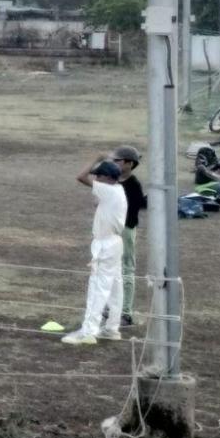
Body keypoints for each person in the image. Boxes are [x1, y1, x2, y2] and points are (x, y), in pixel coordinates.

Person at [64, 158, 128, 344]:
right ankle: (111, 328)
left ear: (107, 177)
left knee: (97, 287)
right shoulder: (117, 190)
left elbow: (81, 177)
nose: (96, 179)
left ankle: (88, 331)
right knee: (115, 286)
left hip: (105, 245)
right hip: (114, 244)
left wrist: (96, 159)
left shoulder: (108, 190)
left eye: (99, 176)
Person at [113, 145, 146, 327]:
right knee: (111, 269)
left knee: (127, 269)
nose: (114, 163)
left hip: (125, 229)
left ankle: (126, 312)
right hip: (113, 230)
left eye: (118, 160)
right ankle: (112, 308)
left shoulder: (133, 185)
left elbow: (135, 208)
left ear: (129, 163)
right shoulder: (114, 180)